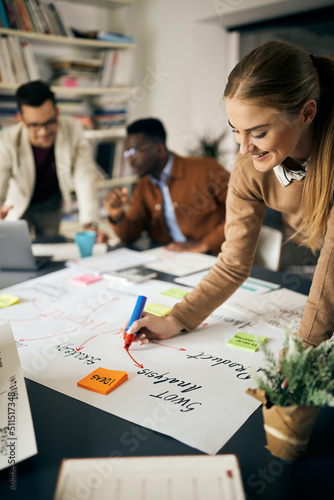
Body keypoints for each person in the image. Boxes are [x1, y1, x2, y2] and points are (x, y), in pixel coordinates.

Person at [125, 39, 334, 349]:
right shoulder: (249, 166)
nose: (244, 148)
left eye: (259, 132)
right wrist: (176, 319)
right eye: (236, 129)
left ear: (306, 113)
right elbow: (233, 263)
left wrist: (304, 349)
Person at [103, 118, 230, 255]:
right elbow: (130, 235)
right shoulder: (143, 185)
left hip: (214, 257)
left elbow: (244, 211)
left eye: (135, 151)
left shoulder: (206, 169)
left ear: (159, 149)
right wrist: (117, 215)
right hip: (168, 258)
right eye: (127, 152)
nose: (129, 159)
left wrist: (205, 243)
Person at [0, 80, 106, 241]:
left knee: (51, 251)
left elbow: (85, 175)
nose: (43, 132)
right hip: (19, 204)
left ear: (57, 112)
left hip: (51, 203)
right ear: (20, 119)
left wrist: (90, 223)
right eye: (34, 125)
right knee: (17, 253)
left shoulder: (73, 129)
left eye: (50, 122)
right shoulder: (7, 140)